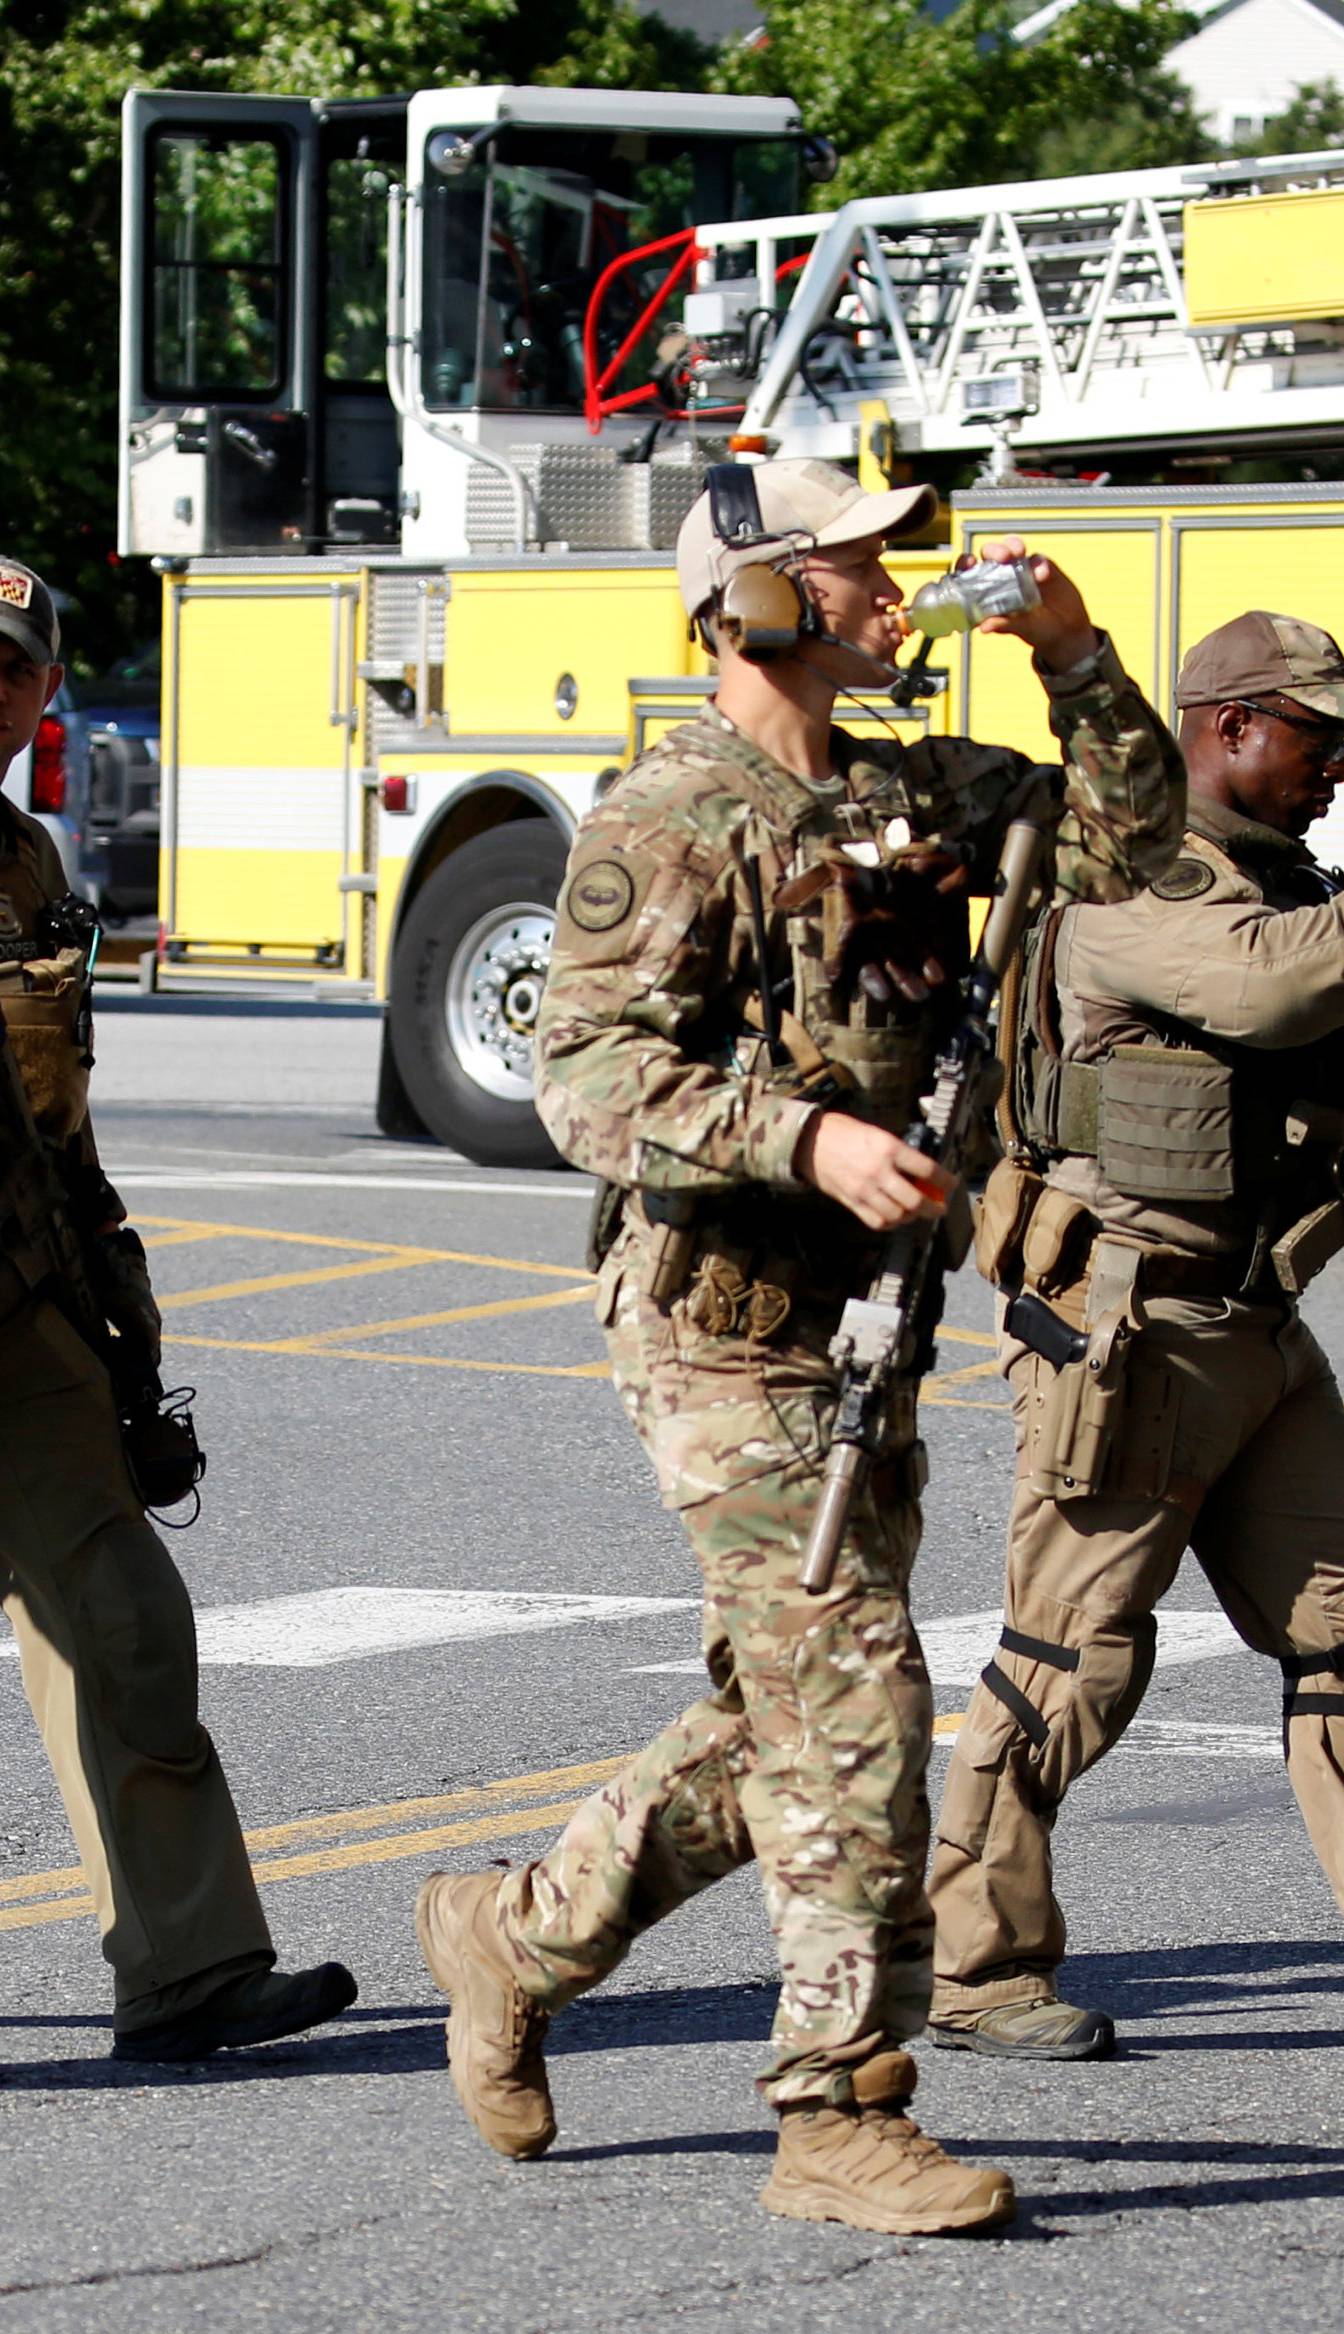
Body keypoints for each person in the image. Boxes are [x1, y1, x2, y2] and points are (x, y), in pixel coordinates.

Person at [415, 459, 1182, 2231]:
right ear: (757, 602)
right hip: (717, 1330)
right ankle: (840, 2105)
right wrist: (807, 1137)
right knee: (860, 1699)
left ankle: (514, 1940)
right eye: (854, 565)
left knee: (781, 1713)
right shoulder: (673, 815)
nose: (893, 585)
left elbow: (1138, 845)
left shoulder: (916, 792)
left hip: (859, 1333)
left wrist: (1071, 652)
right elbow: (586, 1076)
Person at [925, 609, 1344, 2065]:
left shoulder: (1286, 882)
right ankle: (977, 1967)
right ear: (1231, 723)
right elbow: (1271, 982)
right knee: (1072, 1662)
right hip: (1133, 1325)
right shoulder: (1134, 868)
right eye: (1317, 737)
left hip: (1254, 1313)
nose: (1333, 769)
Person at [0, 556, 357, 2060]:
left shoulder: (20, 863)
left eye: (13, 667)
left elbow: (53, 1118)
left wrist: (112, 1297)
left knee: (124, 1619)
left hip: (20, 1307)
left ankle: (190, 1964)